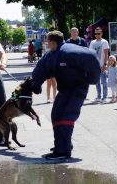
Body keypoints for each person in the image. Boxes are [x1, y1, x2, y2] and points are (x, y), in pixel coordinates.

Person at [31, 30, 101, 160]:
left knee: (64, 116)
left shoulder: (70, 52)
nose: (47, 45)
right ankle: (63, 145)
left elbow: (93, 59)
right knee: (56, 114)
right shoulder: (51, 55)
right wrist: (36, 84)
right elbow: (41, 69)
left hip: (77, 89)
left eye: (48, 43)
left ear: (52, 42)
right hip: (64, 90)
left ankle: (63, 151)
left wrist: (91, 80)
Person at [89, 27, 109, 103]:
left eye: (99, 33)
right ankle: (99, 96)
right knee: (97, 82)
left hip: (102, 65)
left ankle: (105, 97)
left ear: (101, 34)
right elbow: (90, 53)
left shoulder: (104, 42)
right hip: (95, 65)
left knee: (104, 81)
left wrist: (105, 64)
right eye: (96, 33)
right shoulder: (92, 42)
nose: (97, 35)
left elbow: (106, 54)